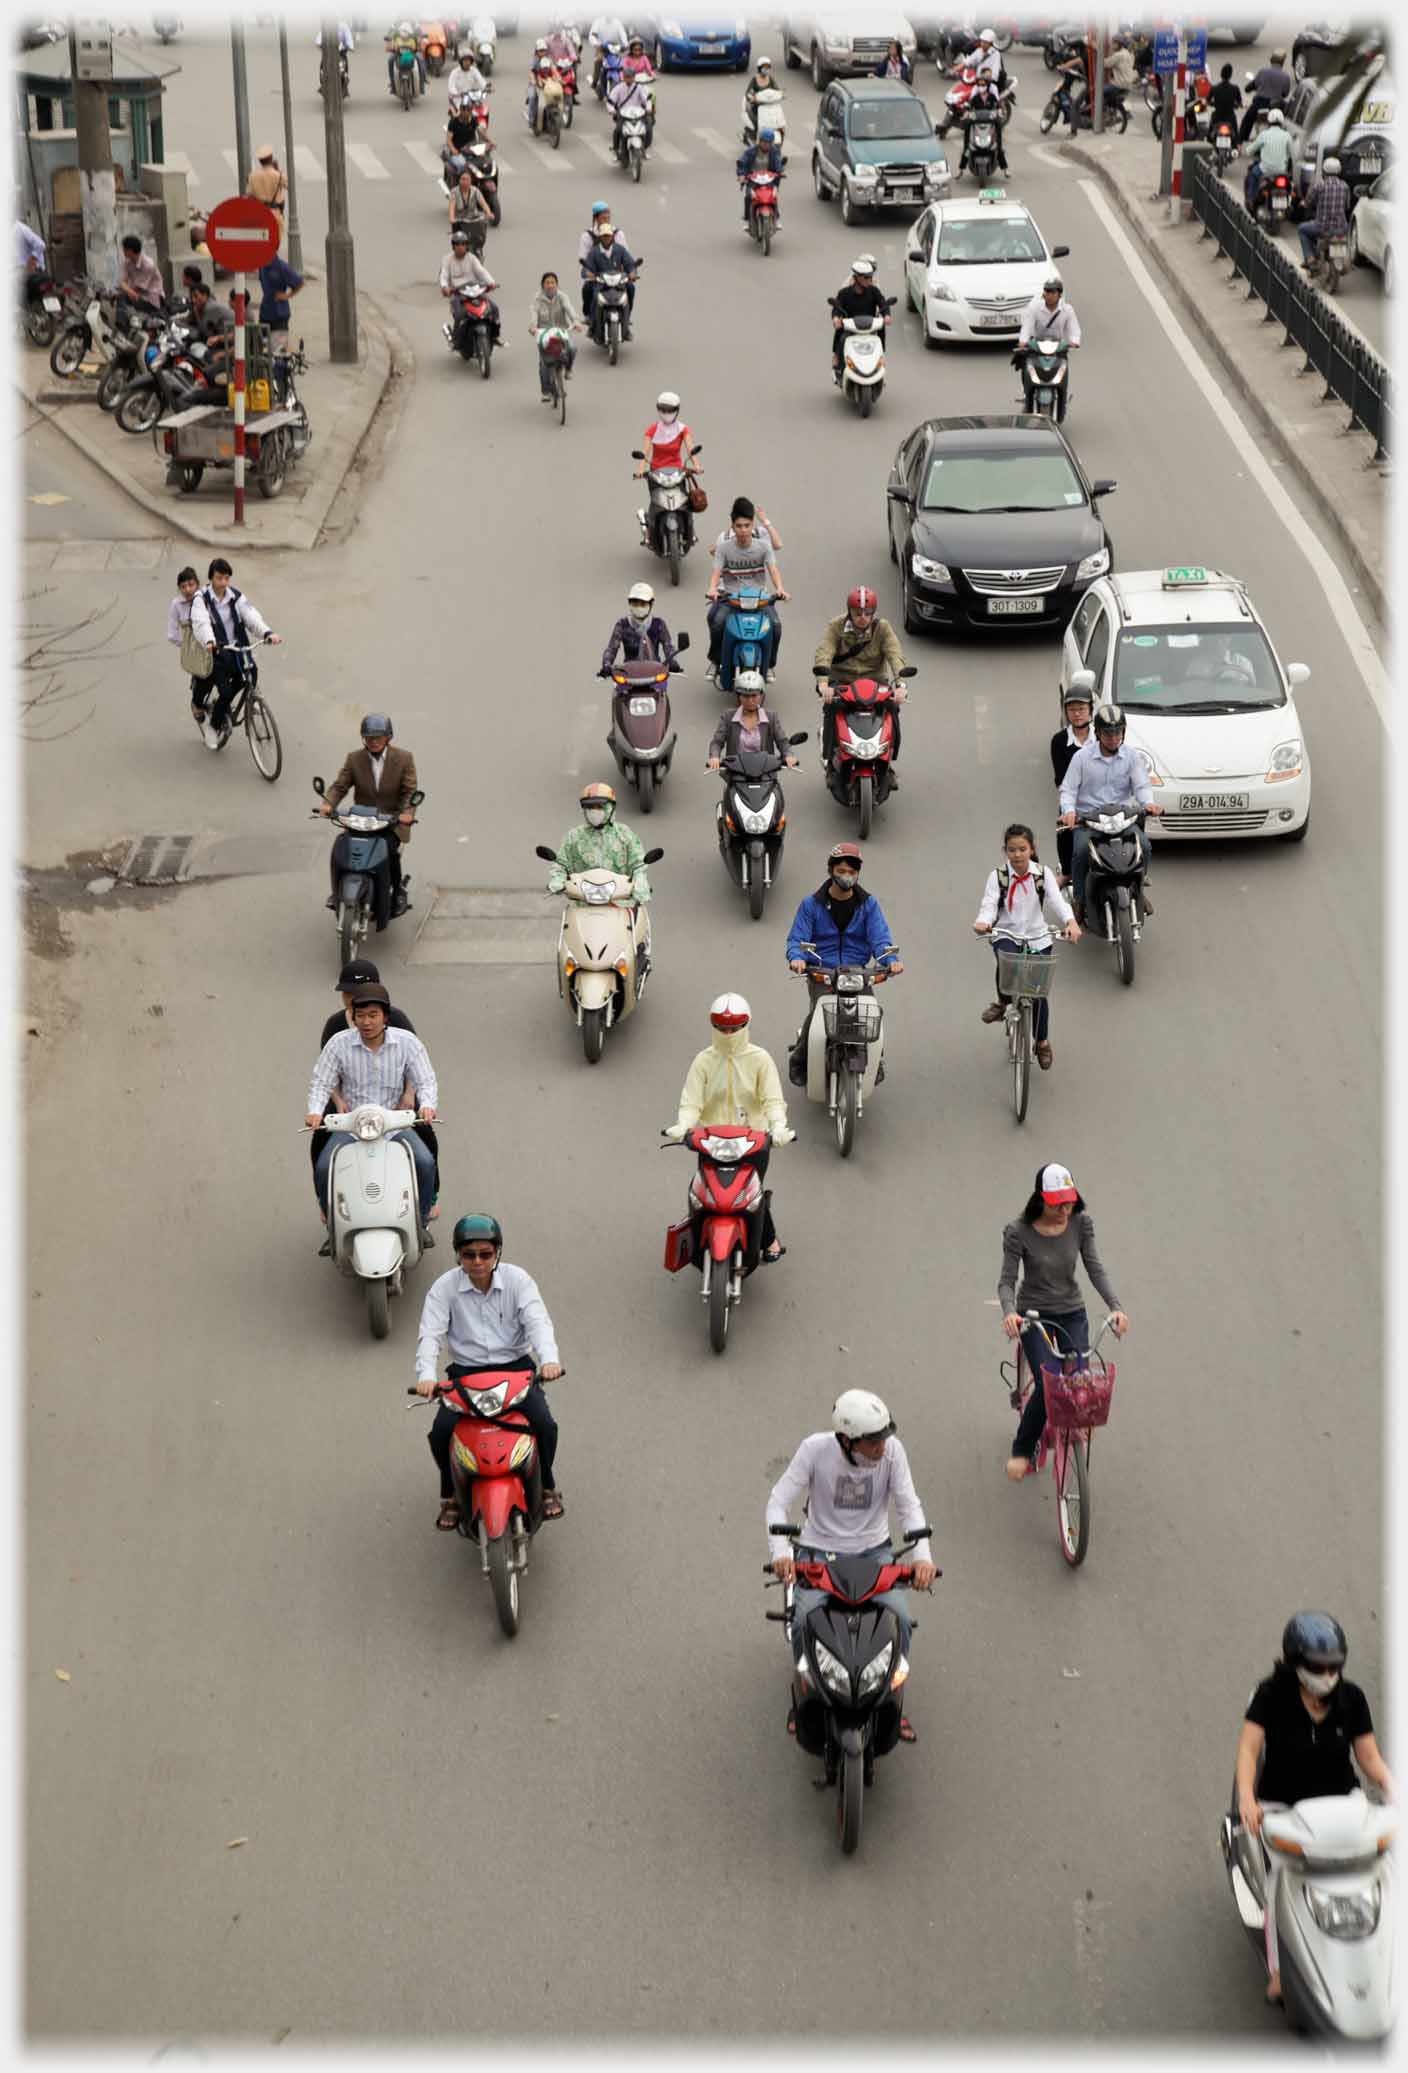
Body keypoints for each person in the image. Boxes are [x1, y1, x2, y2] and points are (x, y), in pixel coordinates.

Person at [1234, 1612, 1395, 2006]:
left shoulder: (1352, 1699)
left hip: (1342, 1805)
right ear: (1295, 1664)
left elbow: (1369, 1758)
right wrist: (1247, 1799)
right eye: (1317, 1667)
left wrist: (1393, 1788)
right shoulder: (1270, 1696)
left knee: (1386, 1867)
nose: (1326, 1674)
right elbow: (1249, 1749)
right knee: (1280, 1881)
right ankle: (1278, 1971)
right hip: (1285, 1810)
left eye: (1333, 1667)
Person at [767, 1391, 936, 1742]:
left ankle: (891, 1701)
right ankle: (805, 1698)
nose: (883, 1448)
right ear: (846, 1440)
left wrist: (923, 1558)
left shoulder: (893, 1453)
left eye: (885, 1437)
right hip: (818, 1552)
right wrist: (781, 1551)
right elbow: (777, 1502)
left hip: (874, 1553)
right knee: (803, 1621)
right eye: (873, 1442)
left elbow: (909, 1506)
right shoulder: (815, 1450)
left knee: (900, 1621)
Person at [414, 1213, 566, 1529]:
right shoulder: (444, 1289)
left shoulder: (518, 1281)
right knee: (441, 1432)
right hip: (466, 1376)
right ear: (458, 1254)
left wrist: (549, 1360)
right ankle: (452, 1496)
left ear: (498, 1252)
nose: (478, 1262)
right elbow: (431, 1335)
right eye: (469, 1255)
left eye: (486, 1254)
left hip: (516, 1372)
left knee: (544, 1425)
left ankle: (548, 1486)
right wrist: (426, 1377)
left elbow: (537, 1322)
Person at [997, 1163, 1128, 1477]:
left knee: (1077, 1381)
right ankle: (1023, 1450)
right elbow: (1006, 1281)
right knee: (1049, 1383)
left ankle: (1072, 1425)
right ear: (1041, 1199)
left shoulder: (1081, 1224)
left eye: (1069, 1202)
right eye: (1058, 1204)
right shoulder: (1018, 1232)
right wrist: (1009, 1313)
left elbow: (1095, 1268)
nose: (1065, 1209)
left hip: (1071, 1312)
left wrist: (1116, 1307)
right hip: (1034, 1316)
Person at [664, 994, 793, 1260]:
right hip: (712, 1142)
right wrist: (682, 1126)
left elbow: (773, 1100)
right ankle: (697, 1231)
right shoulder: (703, 1061)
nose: (728, 1033)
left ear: (745, 1026)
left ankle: (768, 1240)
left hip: (753, 1140)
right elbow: (691, 1102)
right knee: (701, 1191)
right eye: (722, 1028)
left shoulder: (761, 1060)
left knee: (750, 1194)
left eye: (734, 1028)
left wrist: (778, 1127)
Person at [306, 986, 438, 1233]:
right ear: (353, 1017)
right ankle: (331, 1221)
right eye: (360, 1015)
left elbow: (426, 1079)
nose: (366, 1022)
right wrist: (315, 1111)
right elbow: (321, 1082)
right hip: (352, 1125)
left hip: (393, 1124)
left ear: (385, 1017)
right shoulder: (338, 1044)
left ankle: (420, 1222)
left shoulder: (407, 1043)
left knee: (425, 1161)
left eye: (373, 1015)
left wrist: (428, 1106)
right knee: (324, 1167)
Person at [785, 843, 903, 1084]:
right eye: (841, 871)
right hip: (823, 971)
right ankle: (800, 1058)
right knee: (818, 1014)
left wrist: (891, 961)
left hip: (858, 972)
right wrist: (797, 957)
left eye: (852, 872)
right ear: (830, 871)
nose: (846, 876)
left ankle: (875, 1058)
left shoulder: (868, 905)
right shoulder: (811, 905)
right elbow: (797, 938)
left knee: (870, 1014)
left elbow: (880, 938)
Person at [972, 822, 1080, 1070]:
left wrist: (1071, 922)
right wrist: (983, 922)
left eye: (1022, 849)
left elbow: (1057, 902)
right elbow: (989, 905)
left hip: (1037, 936)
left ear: (1031, 849)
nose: (1017, 855)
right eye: (1012, 850)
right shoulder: (997, 876)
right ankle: (1002, 1002)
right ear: (1005, 851)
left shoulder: (1043, 875)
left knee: (1038, 991)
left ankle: (1041, 1042)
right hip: (1006, 932)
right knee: (1007, 957)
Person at [1059, 701, 1161, 920]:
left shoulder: (1132, 757)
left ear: (1123, 733)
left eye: (1117, 733)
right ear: (1098, 733)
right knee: (1080, 853)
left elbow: (1141, 786)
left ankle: (1138, 888)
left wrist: (1148, 804)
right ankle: (1079, 899)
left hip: (1122, 818)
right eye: (1108, 733)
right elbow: (1068, 790)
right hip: (1089, 819)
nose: (1113, 738)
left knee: (1144, 846)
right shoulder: (1081, 758)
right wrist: (1068, 811)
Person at [318, 713, 419, 920]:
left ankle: (397, 892)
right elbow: (340, 785)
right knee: (342, 848)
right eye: (368, 737)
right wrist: (328, 803)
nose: (373, 741)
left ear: (388, 737)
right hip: (361, 820)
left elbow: (409, 791)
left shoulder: (404, 759)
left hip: (390, 822)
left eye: (378, 737)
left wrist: (406, 813)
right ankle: (337, 891)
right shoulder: (354, 759)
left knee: (390, 853)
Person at [188, 558, 281, 749]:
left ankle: (250, 699)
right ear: (211, 578)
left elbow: (251, 616)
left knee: (251, 672)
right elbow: (200, 623)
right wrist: (209, 641)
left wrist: (267, 632)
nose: (223, 582)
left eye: (226, 578)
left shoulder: (235, 596)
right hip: (216, 652)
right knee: (226, 692)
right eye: (219, 578)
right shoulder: (201, 599)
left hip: (238, 648)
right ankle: (213, 728)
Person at [813, 586, 906, 774]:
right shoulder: (836, 627)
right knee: (832, 709)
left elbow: (895, 655)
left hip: (874, 683)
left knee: (892, 709)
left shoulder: (883, 628)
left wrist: (900, 685)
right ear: (849, 612)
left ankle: (888, 760)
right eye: (857, 613)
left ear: (873, 613)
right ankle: (829, 758)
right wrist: (823, 684)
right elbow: (824, 652)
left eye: (867, 612)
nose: (862, 617)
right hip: (843, 682)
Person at [705, 500, 787, 688]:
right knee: (717, 623)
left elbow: (773, 570)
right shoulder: (724, 547)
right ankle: (716, 661)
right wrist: (712, 589)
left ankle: (768, 665)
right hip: (730, 599)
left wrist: (780, 588)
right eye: (739, 526)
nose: (743, 530)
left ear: (753, 525)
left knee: (775, 626)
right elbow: (716, 573)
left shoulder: (763, 546)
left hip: (759, 599)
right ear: (732, 526)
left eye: (747, 525)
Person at [546, 783, 652, 908]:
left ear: (610, 808)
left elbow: (638, 865)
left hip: (621, 903)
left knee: (639, 926)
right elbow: (561, 865)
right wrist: (558, 880)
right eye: (589, 807)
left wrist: (640, 883)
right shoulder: (574, 836)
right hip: (582, 904)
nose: (594, 811)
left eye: (599, 807)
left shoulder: (625, 834)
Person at [707, 677, 800, 771]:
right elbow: (717, 742)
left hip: (765, 773)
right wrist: (714, 757)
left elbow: (782, 742)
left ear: (761, 695)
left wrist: (789, 755)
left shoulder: (771, 717)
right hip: (736, 772)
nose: (750, 700)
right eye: (746, 696)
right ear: (739, 696)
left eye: (754, 695)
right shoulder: (728, 716)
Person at [1049, 685, 1094, 879]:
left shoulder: (1103, 737)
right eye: (1071, 709)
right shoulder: (1059, 741)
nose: (1076, 714)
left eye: (1081, 709)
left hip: (1102, 800)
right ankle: (1067, 873)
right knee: (1065, 829)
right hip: (1074, 802)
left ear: (1091, 709)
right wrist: (1070, 810)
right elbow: (1061, 781)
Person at [438, 228, 500, 354]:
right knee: (460, 315)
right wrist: (445, 287)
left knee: (493, 308)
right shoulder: (447, 259)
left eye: (463, 244)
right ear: (453, 246)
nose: (460, 247)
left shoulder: (472, 258)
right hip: (457, 293)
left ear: (467, 245)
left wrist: (491, 283)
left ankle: (494, 336)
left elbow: (481, 272)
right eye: (457, 244)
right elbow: (444, 275)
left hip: (474, 290)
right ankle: (455, 340)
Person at [830, 252, 888, 385]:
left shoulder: (874, 291)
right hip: (851, 328)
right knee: (842, 336)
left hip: (869, 327)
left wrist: (887, 315)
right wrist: (836, 319)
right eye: (867, 277)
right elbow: (836, 308)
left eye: (870, 276)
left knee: (881, 331)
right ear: (857, 278)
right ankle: (837, 361)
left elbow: (883, 303)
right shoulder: (844, 293)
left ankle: (881, 359)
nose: (870, 279)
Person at [530, 269, 584, 398]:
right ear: (543, 285)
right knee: (544, 362)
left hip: (561, 331)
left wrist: (576, 322)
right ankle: (546, 392)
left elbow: (569, 309)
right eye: (547, 282)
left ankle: (568, 368)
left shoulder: (562, 296)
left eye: (553, 282)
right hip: (544, 334)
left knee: (572, 348)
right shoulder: (537, 298)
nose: (550, 285)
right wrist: (532, 327)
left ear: (557, 284)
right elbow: (534, 314)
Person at [601, 581, 678, 670]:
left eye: (643, 604)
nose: (638, 607)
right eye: (635, 604)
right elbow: (612, 648)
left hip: (655, 672)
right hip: (628, 674)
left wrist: (673, 662)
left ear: (651, 604)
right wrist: (606, 664)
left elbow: (668, 646)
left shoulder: (659, 624)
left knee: (662, 683)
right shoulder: (622, 624)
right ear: (629, 604)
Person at [166, 565, 206, 731]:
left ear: (197, 584)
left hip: (208, 641)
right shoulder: (176, 604)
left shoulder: (204, 598)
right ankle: (196, 704)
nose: (188, 589)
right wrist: (186, 646)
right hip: (193, 649)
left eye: (191, 584)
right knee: (202, 677)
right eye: (183, 586)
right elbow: (172, 633)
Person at [581, 221, 637, 333]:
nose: (606, 238)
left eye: (608, 235)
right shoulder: (594, 252)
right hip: (600, 283)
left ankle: (627, 318)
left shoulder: (620, 250)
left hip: (618, 282)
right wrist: (588, 273)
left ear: (612, 236)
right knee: (594, 295)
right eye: (604, 236)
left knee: (631, 288)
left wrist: (632, 273)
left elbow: (630, 264)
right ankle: (593, 321)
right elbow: (586, 268)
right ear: (600, 237)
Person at [1298, 155, 1351, 270]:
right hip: (1341, 227)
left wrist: (1304, 204)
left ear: (1324, 170)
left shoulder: (1320, 185)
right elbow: (1347, 206)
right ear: (1339, 171)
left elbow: (1309, 201)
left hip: (1322, 227)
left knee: (1302, 229)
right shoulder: (1345, 186)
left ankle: (1310, 257)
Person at [257, 249, 303, 368]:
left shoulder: (282, 267)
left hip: (279, 314)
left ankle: (281, 379)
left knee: (279, 354)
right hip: (265, 313)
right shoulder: (261, 265)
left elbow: (300, 283)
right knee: (263, 351)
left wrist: (287, 295)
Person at [1244, 105, 1292, 212]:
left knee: (1252, 175)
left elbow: (1250, 150)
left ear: (1269, 121)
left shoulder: (1264, 134)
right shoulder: (1287, 135)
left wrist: (1249, 150)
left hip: (1265, 169)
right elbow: (1291, 154)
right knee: (1291, 183)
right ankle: (1290, 202)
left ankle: (1251, 199)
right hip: (1281, 170)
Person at [636, 389, 695, 476]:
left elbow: (690, 449)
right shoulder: (652, 429)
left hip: (676, 472)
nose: (667, 413)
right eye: (663, 410)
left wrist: (697, 465)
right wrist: (640, 470)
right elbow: (645, 452)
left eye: (670, 410)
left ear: (677, 410)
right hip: (656, 473)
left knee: (685, 489)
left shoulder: (682, 429)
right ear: (658, 409)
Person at [958, 75, 1010, 173]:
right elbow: (968, 106)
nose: (981, 86)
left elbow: (999, 106)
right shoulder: (975, 98)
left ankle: (1005, 170)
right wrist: (965, 114)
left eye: (983, 84)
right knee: (967, 148)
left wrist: (1000, 112)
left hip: (991, 121)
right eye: (979, 85)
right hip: (976, 121)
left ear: (987, 85)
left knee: (998, 147)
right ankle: (961, 170)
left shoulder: (992, 97)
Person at [1239, 48, 1291, 143]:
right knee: (1287, 120)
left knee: (1247, 121)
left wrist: (1251, 88)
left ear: (1271, 60)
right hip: (1275, 105)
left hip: (1259, 103)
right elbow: (1285, 94)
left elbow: (1250, 86)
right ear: (1283, 62)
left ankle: (1241, 140)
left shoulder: (1262, 72)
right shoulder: (1286, 76)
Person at [737, 127, 784, 225]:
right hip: (753, 180)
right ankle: (747, 216)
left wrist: (780, 172)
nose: (766, 144)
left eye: (768, 142)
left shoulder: (774, 152)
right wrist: (741, 174)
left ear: (771, 143)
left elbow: (778, 163)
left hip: (769, 179)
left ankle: (776, 215)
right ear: (759, 141)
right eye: (763, 142)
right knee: (749, 196)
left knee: (773, 196)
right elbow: (742, 163)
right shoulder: (750, 152)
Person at [608, 66, 654, 157]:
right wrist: (612, 110)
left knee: (648, 127)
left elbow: (647, 99)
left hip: (638, 114)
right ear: (623, 77)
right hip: (623, 115)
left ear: (634, 77)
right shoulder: (618, 88)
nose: (629, 79)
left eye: (631, 77)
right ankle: (615, 148)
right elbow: (610, 101)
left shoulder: (639, 88)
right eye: (627, 77)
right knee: (618, 130)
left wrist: (648, 108)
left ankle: (645, 147)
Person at [118, 233, 164, 318]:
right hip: (137, 295)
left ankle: (122, 326)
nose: (123, 251)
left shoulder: (148, 265)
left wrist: (126, 289)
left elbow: (137, 288)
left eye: (124, 249)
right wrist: (127, 289)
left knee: (122, 298)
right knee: (119, 298)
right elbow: (122, 282)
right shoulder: (128, 262)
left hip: (151, 299)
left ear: (130, 251)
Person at [447, 166, 493, 251]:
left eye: (467, 179)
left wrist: (488, 213)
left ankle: (479, 253)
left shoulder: (475, 191)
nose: (465, 182)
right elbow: (451, 207)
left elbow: (483, 204)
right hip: (460, 222)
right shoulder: (454, 192)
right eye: (463, 179)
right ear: (459, 180)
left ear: (471, 180)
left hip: (473, 220)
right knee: (459, 246)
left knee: (479, 240)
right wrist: (452, 218)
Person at [245, 145, 288, 217]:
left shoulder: (252, 176)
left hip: (259, 213)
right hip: (275, 214)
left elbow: (249, 194)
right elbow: (288, 186)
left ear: (260, 161)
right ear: (271, 158)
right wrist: (277, 170)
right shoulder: (277, 175)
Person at [1206, 61, 1242, 144]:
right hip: (1230, 118)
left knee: (1209, 136)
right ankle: (1237, 145)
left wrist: (1214, 104)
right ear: (1230, 75)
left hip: (1217, 117)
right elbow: (1239, 103)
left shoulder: (1214, 88)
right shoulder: (1235, 88)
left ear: (1221, 74)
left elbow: (1208, 101)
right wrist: (1236, 105)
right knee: (1236, 136)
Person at [386, 18, 425, 94]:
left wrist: (420, 39)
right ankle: (392, 84)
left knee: (420, 60)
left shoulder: (414, 23)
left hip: (412, 51)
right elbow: (390, 33)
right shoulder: (396, 23)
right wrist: (389, 40)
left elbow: (420, 33)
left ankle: (421, 85)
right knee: (390, 60)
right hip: (398, 52)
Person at [447, 43, 487, 107]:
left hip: (472, 97)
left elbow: (481, 80)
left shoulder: (474, 70)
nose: (467, 62)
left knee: (483, 108)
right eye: (465, 60)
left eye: (469, 60)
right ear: (461, 61)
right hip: (458, 98)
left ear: (471, 61)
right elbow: (451, 86)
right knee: (464, 112)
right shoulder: (455, 72)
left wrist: (486, 86)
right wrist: (456, 94)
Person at [743, 53, 777, 128]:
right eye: (764, 67)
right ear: (759, 68)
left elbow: (776, 89)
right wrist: (752, 98)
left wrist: (780, 95)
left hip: (769, 105)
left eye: (768, 67)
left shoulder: (770, 78)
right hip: (758, 106)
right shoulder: (755, 79)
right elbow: (748, 92)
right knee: (758, 125)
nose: (766, 69)